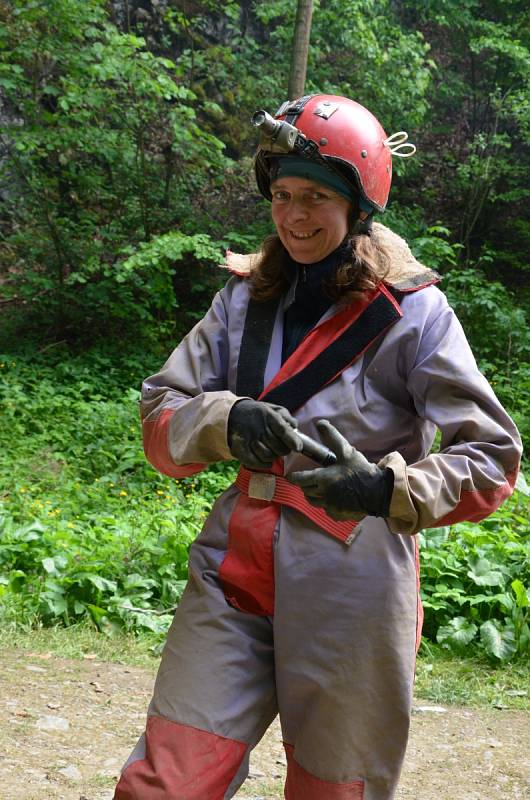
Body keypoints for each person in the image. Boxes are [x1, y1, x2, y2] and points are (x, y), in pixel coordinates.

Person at [114, 95, 522, 800]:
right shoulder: (242, 300)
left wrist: (386, 489)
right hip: (235, 564)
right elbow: (161, 413)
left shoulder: (414, 313)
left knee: (336, 790)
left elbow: (491, 458)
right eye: (282, 194)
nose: (295, 217)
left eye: (316, 198)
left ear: (359, 207)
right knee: (166, 781)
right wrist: (226, 419)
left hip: (352, 580)